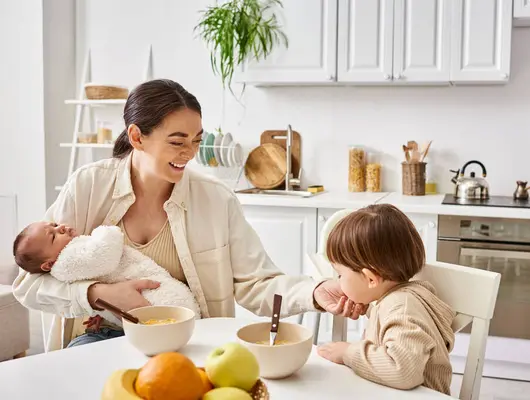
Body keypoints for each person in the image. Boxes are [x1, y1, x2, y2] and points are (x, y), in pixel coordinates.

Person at [12, 78, 365, 350]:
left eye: (196, 140)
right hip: (103, 338)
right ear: (136, 136)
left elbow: (257, 283)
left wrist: (316, 292)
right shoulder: (89, 185)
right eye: (178, 141)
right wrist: (97, 293)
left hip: (191, 343)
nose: (189, 153)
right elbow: (30, 283)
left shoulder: (215, 199)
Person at [316, 204, 455, 395]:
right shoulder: (400, 298)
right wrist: (372, 309)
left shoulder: (402, 307)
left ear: (371, 279)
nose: (338, 282)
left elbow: (403, 370)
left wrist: (348, 353)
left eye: (340, 275)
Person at [12, 222, 200, 334]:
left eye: (54, 225)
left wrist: (100, 312)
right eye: (53, 236)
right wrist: (106, 232)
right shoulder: (68, 258)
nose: (61, 227)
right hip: (151, 302)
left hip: (134, 321)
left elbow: (103, 278)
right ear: (48, 264)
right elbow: (103, 258)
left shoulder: (67, 261)